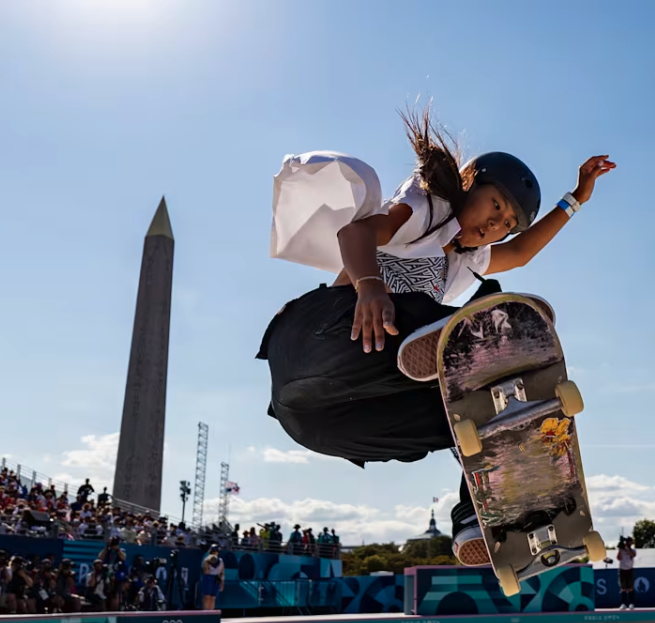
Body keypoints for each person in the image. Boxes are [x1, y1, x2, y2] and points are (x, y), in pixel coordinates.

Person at [260, 106, 615, 565]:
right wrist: (369, 286)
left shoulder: (467, 259)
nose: (495, 226)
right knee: (477, 314)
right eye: (495, 206)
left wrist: (576, 198)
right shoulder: (427, 208)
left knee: (477, 411)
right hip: (317, 348)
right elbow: (357, 233)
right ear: (470, 181)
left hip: (329, 424)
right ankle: (448, 339)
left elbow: (523, 252)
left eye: (506, 223)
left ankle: (484, 515)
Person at [200, 544, 224, 611]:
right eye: (213, 551)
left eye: (216, 551)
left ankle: (211, 612)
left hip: (216, 579)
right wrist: (209, 562)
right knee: (206, 596)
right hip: (208, 578)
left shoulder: (221, 560)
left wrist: (222, 583)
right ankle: (205, 612)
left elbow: (222, 572)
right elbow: (206, 572)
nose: (214, 553)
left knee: (213, 597)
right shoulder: (206, 559)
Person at [617, 537, 636, 610]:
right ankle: (623, 604)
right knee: (623, 588)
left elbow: (633, 555)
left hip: (629, 570)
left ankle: (631, 604)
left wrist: (627, 548)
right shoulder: (622, 550)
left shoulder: (633, 550)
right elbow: (618, 558)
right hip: (622, 570)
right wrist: (620, 549)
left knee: (630, 588)